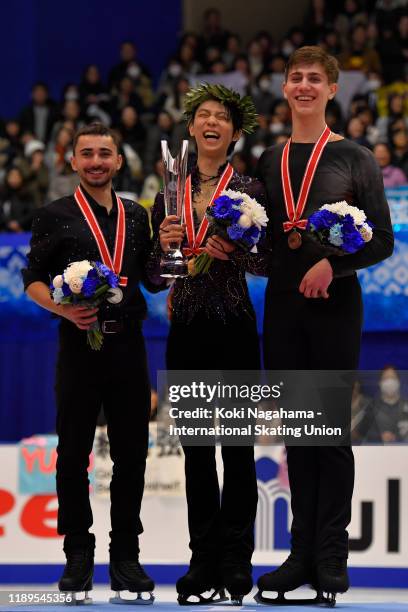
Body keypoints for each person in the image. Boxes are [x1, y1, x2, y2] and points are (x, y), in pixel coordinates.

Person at [255, 46, 394, 603]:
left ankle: (332, 557)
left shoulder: (356, 158)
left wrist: (331, 266)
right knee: (297, 435)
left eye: (316, 78)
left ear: (332, 90)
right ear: (285, 89)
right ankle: (299, 555)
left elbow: (381, 240)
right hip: (284, 308)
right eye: (297, 78)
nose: (305, 85)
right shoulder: (268, 159)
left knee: (329, 433)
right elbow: (265, 239)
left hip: (336, 306)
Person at [21, 123, 165, 604]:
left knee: (132, 456)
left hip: (129, 347)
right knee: (72, 454)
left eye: (106, 153)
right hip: (78, 346)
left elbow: (153, 279)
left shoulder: (138, 216)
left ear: (120, 161)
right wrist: (63, 308)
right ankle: (77, 555)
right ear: (74, 161)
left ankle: (126, 557)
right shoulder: (53, 215)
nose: (97, 161)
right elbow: (33, 280)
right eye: (88, 154)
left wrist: (169, 249)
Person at [150, 83, 265, 605]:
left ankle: (237, 561)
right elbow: (155, 277)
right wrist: (163, 245)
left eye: (222, 116)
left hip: (236, 326)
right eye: (204, 116)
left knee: (238, 452)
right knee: (197, 454)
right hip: (188, 329)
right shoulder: (168, 191)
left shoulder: (249, 189)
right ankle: (202, 560)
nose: (212, 122)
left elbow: (267, 263)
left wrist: (233, 253)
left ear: (234, 133)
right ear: (192, 128)